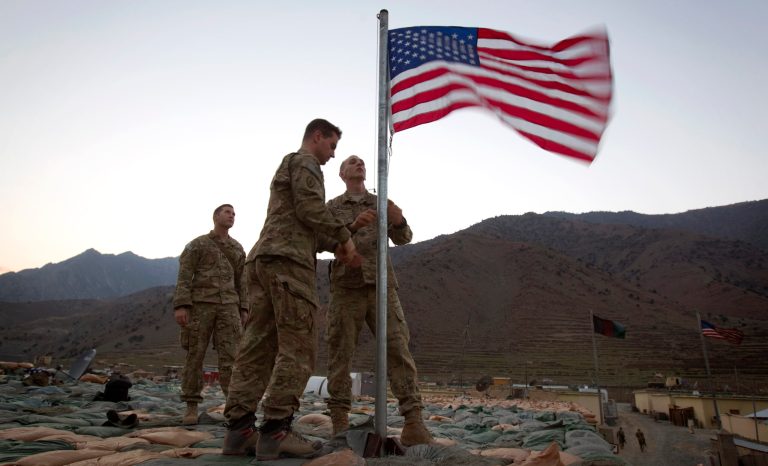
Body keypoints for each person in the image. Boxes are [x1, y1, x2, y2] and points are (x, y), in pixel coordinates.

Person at [222, 119, 362, 459]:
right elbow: (311, 210)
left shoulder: (291, 164)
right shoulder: (306, 162)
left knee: (257, 348)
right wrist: (345, 238)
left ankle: (239, 431)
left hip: (264, 261)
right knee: (297, 348)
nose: (331, 156)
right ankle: (276, 430)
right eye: (331, 146)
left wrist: (342, 236)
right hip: (288, 265)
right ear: (317, 137)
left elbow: (307, 225)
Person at [323, 155, 432, 445]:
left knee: (398, 349)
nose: (359, 164)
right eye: (351, 162)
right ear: (342, 173)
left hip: (381, 287)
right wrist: (353, 226)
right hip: (346, 287)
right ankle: (339, 422)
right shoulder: (332, 207)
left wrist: (398, 220)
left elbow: (404, 238)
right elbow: (322, 239)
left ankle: (413, 422)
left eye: (361, 162)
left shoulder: (380, 201)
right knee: (340, 353)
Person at [172, 204, 248, 425]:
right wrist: (181, 305)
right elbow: (185, 275)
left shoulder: (236, 248)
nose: (232, 216)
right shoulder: (198, 245)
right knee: (195, 355)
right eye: (227, 212)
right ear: (215, 217)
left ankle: (233, 407)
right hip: (201, 305)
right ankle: (191, 406)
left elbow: (242, 280)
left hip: (229, 307)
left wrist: (244, 308)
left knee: (231, 358)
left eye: (234, 213)